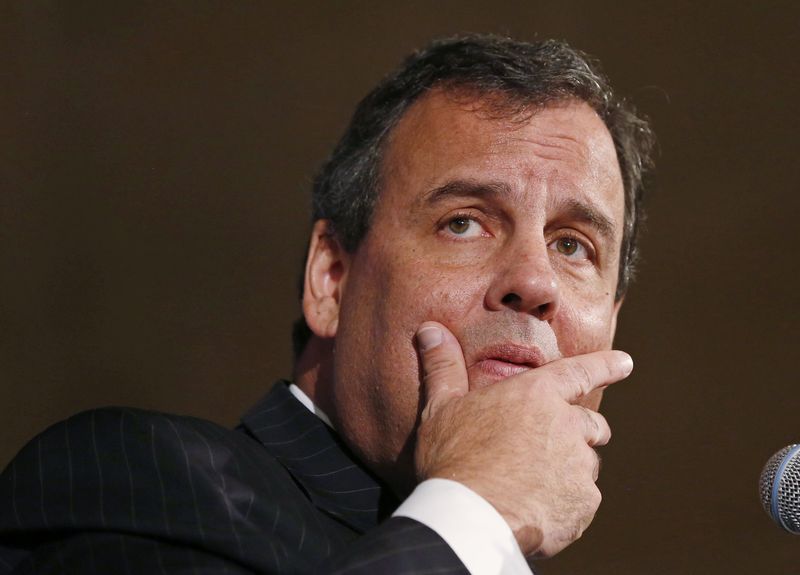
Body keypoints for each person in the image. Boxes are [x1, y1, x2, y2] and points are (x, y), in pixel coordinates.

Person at [0, 34, 654, 574]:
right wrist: (478, 507)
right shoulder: (133, 482)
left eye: (573, 245)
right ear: (332, 278)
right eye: (464, 222)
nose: (535, 281)